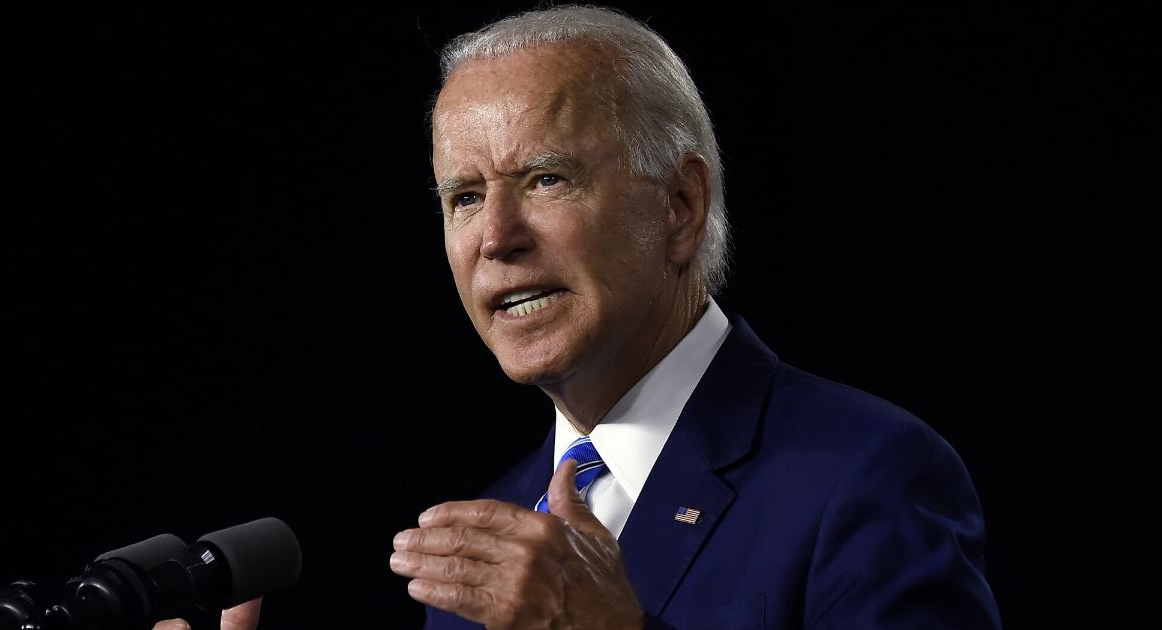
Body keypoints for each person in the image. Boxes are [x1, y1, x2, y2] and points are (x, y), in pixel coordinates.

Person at [385, 5, 1001, 629]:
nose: (495, 238)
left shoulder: (868, 476)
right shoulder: (480, 557)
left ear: (679, 207)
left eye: (547, 179)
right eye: (465, 197)